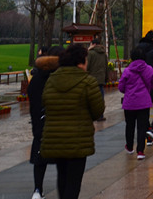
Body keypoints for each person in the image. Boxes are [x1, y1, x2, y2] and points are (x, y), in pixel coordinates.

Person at [40, 44, 105, 199]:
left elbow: (45, 103)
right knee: (74, 182)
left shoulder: (51, 80)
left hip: (55, 138)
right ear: (81, 61)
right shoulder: (87, 82)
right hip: (77, 139)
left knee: (62, 177)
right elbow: (97, 111)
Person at [28, 45, 63, 199]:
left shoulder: (36, 79)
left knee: (39, 158)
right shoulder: (59, 78)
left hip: (40, 124)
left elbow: (33, 104)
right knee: (63, 162)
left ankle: (37, 188)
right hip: (59, 125)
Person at [118, 46, 153, 160]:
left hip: (129, 103)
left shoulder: (127, 70)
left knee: (129, 125)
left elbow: (121, 87)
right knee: (142, 127)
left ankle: (129, 147)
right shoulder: (149, 69)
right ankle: (140, 151)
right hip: (144, 103)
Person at [87, 38, 108, 119]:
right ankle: (100, 115)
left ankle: (92, 114)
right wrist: (106, 78)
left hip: (92, 79)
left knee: (91, 98)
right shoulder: (104, 53)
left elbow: (87, 66)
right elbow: (106, 67)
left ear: (94, 44)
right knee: (100, 98)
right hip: (101, 79)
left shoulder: (90, 53)